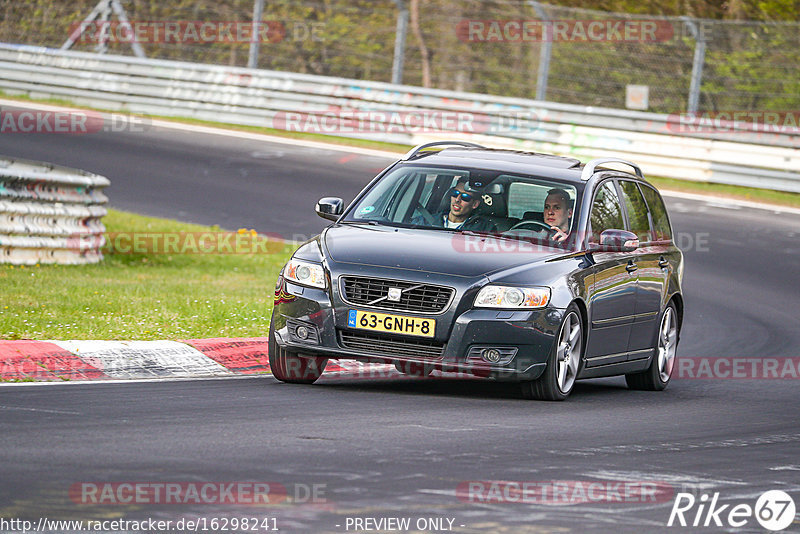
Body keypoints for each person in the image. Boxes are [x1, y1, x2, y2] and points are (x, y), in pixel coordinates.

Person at [425, 178, 497, 232]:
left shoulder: (485, 229)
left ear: (475, 204)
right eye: (455, 193)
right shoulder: (424, 221)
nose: (457, 200)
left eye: (465, 197)